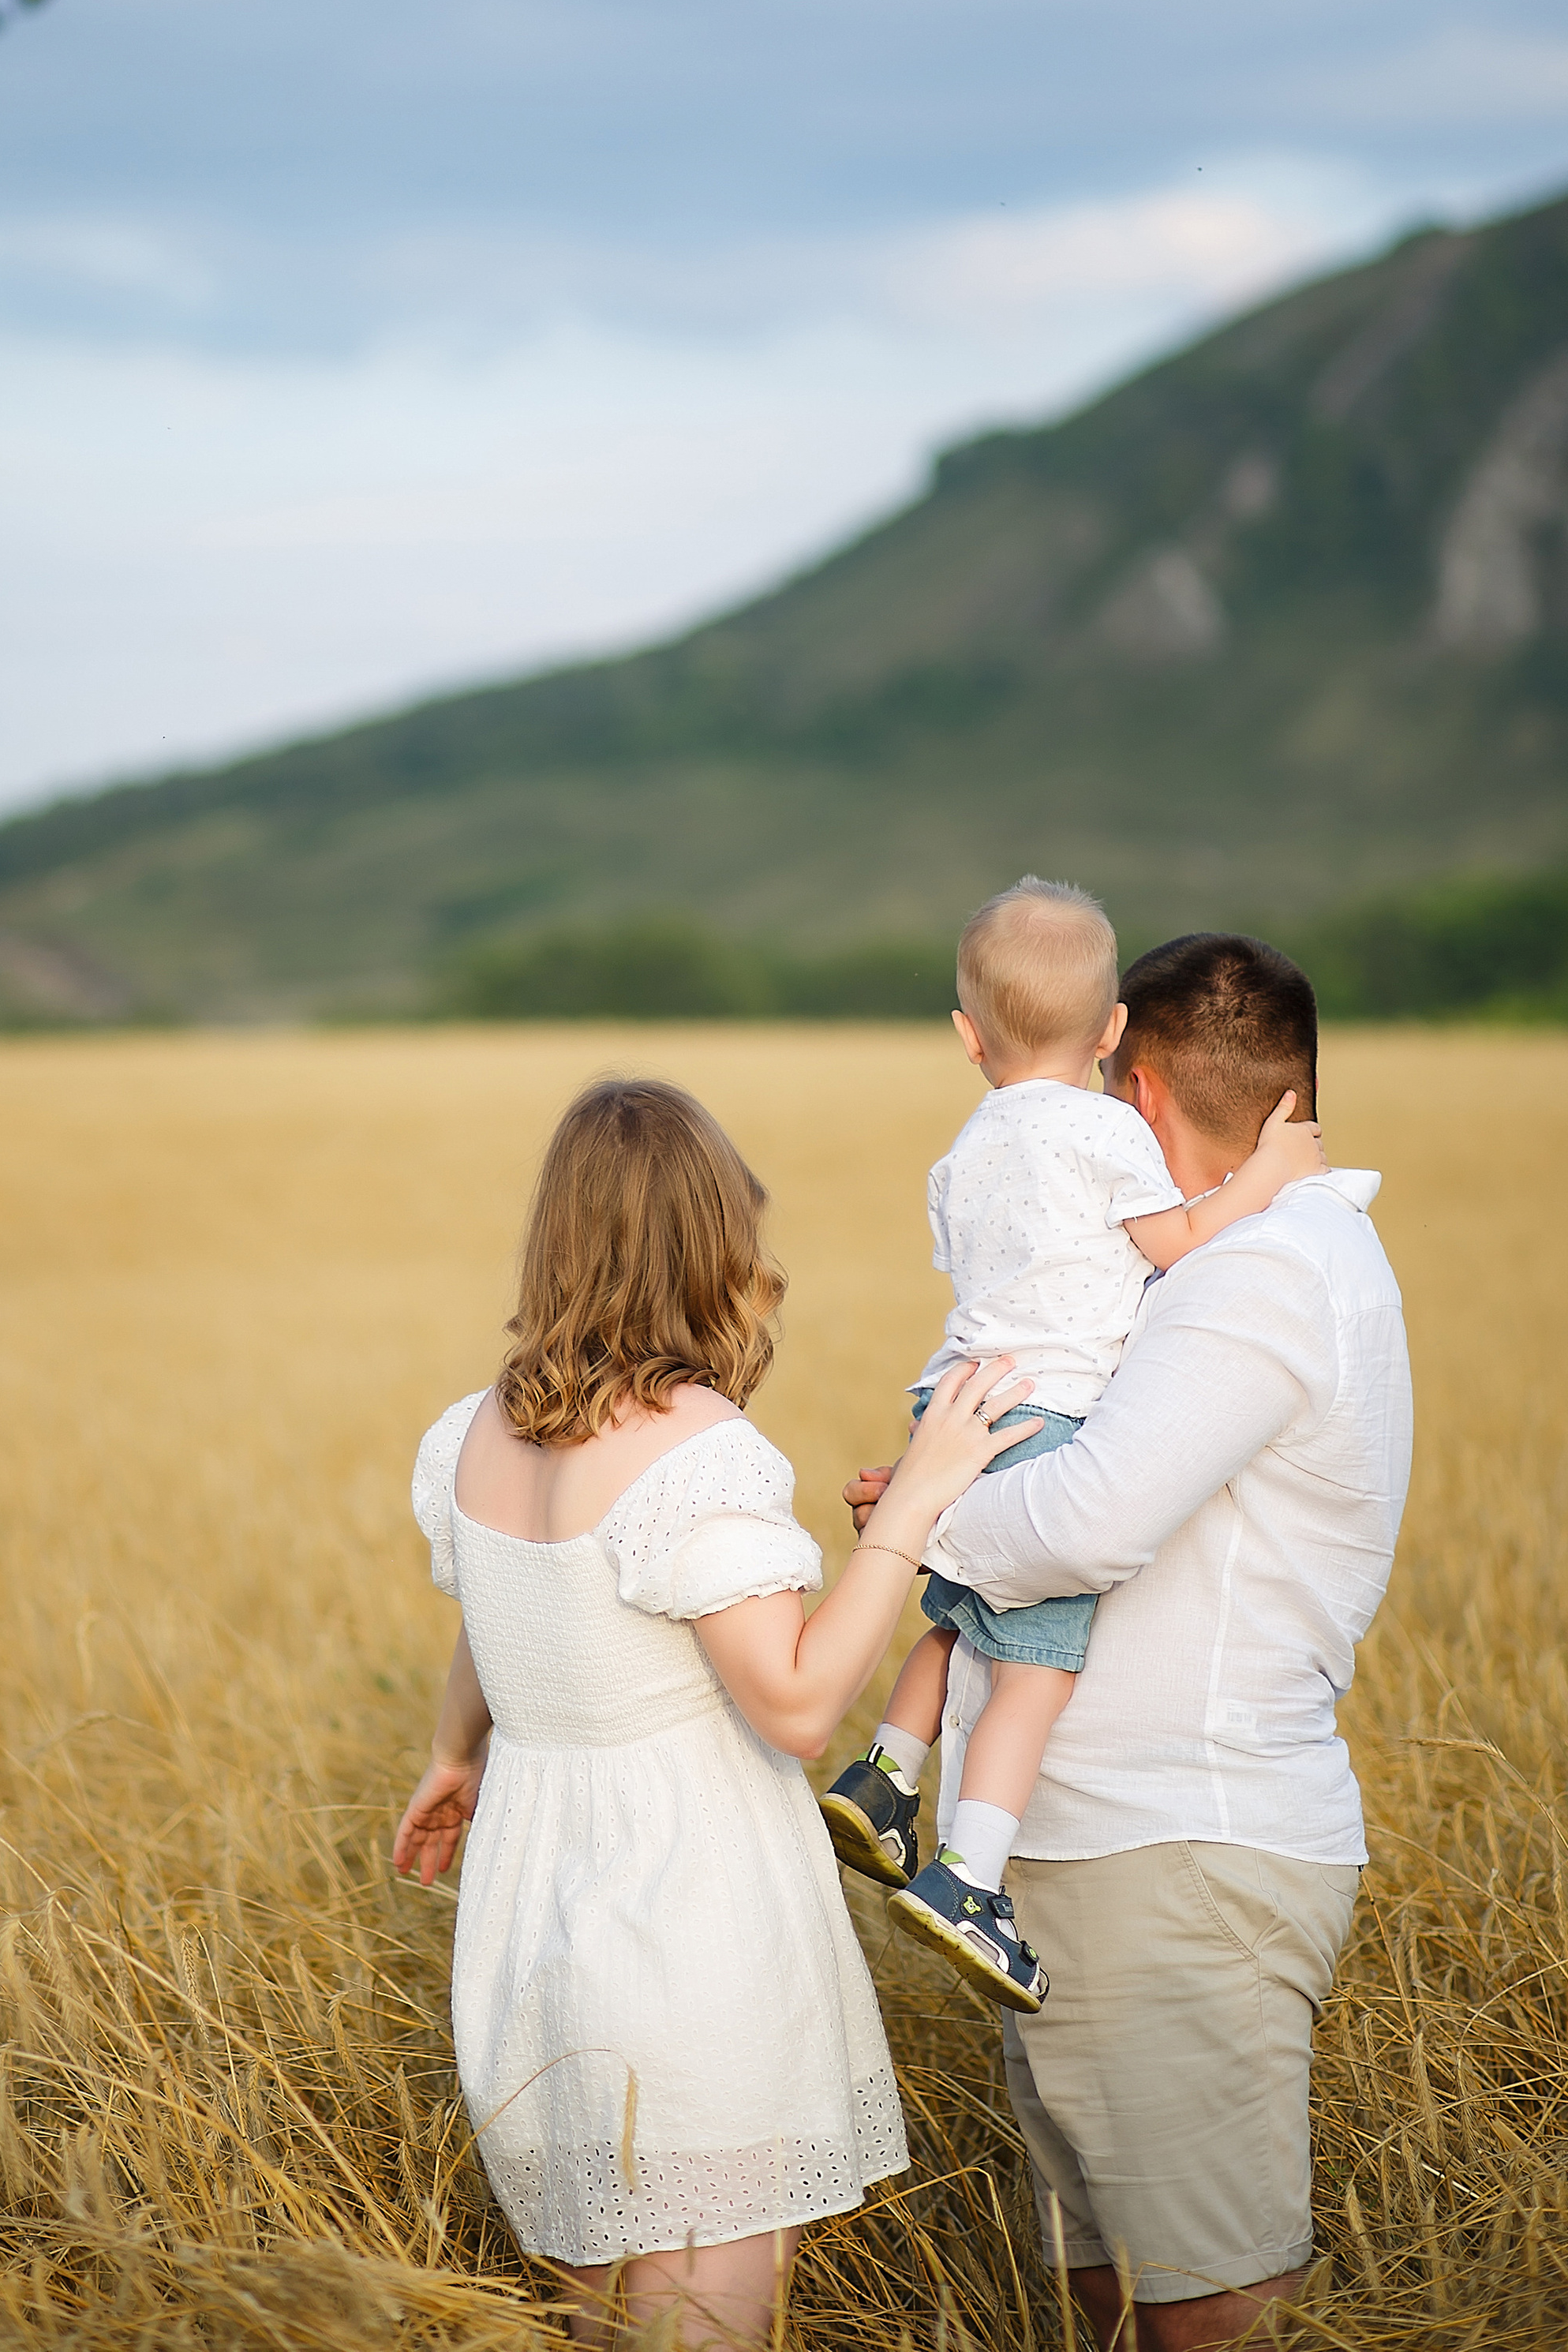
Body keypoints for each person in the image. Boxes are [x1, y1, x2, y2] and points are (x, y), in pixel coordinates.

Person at [393, 1076, 1035, 2347]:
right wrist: (918, 1503)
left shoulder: (476, 1432)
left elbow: (494, 1606)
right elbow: (798, 1707)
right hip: (683, 1916)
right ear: (710, 1243)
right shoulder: (697, 1451)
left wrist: (453, 1750)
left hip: (531, 1917)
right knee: (706, 2322)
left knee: (594, 2316)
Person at [844, 934, 1412, 2350]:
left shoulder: (1266, 1268)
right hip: (1098, 1857)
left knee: (1204, 2309)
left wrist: (917, 1521)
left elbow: (1089, 1523)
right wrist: (954, 1496)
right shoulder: (1210, 1266)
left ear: (1134, 1093)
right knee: (1108, 2298)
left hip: (1171, 1857)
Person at [820, 878, 1325, 2012]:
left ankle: (887, 1775)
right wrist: (1271, 1177)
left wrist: (926, 1495)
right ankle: (972, 1884)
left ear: (967, 1037)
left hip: (955, 1398)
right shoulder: (1108, 1125)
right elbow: (1181, 1238)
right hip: (1049, 1414)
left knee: (958, 1614)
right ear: (1110, 1036)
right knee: (1037, 1668)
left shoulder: (964, 1148)